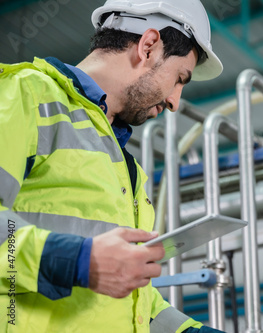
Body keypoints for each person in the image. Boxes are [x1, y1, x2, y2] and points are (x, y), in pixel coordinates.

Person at [0, 0, 225, 332]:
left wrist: (191, 331)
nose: (175, 101)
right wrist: (74, 260)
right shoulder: (27, 94)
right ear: (148, 46)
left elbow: (137, 303)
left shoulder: (126, 168)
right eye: (180, 78)